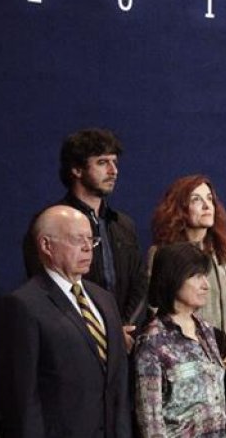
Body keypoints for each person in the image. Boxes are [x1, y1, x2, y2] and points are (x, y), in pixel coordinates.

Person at [0, 205, 131, 437]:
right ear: (46, 245)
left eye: (91, 239)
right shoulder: (24, 305)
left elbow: (117, 384)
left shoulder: (104, 300)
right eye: (77, 240)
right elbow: (22, 399)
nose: (88, 248)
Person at [22, 128, 148, 338]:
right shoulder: (50, 223)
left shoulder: (123, 224)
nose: (113, 171)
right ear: (77, 169)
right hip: (73, 340)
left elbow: (140, 284)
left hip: (124, 342)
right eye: (102, 162)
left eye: (114, 162)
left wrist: (123, 330)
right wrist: (98, 331)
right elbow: (46, 285)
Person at [149, 174, 226, 429]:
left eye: (210, 199)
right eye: (196, 199)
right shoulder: (162, 253)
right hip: (182, 368)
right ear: (180, 208)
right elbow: (156, 308)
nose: (207, 206)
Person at [134, 243, 226, 437]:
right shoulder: (152, 341)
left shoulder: (206, 330)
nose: (206, 285)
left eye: (205, 276)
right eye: (196, 276)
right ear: (173, 278)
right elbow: (150, 421)